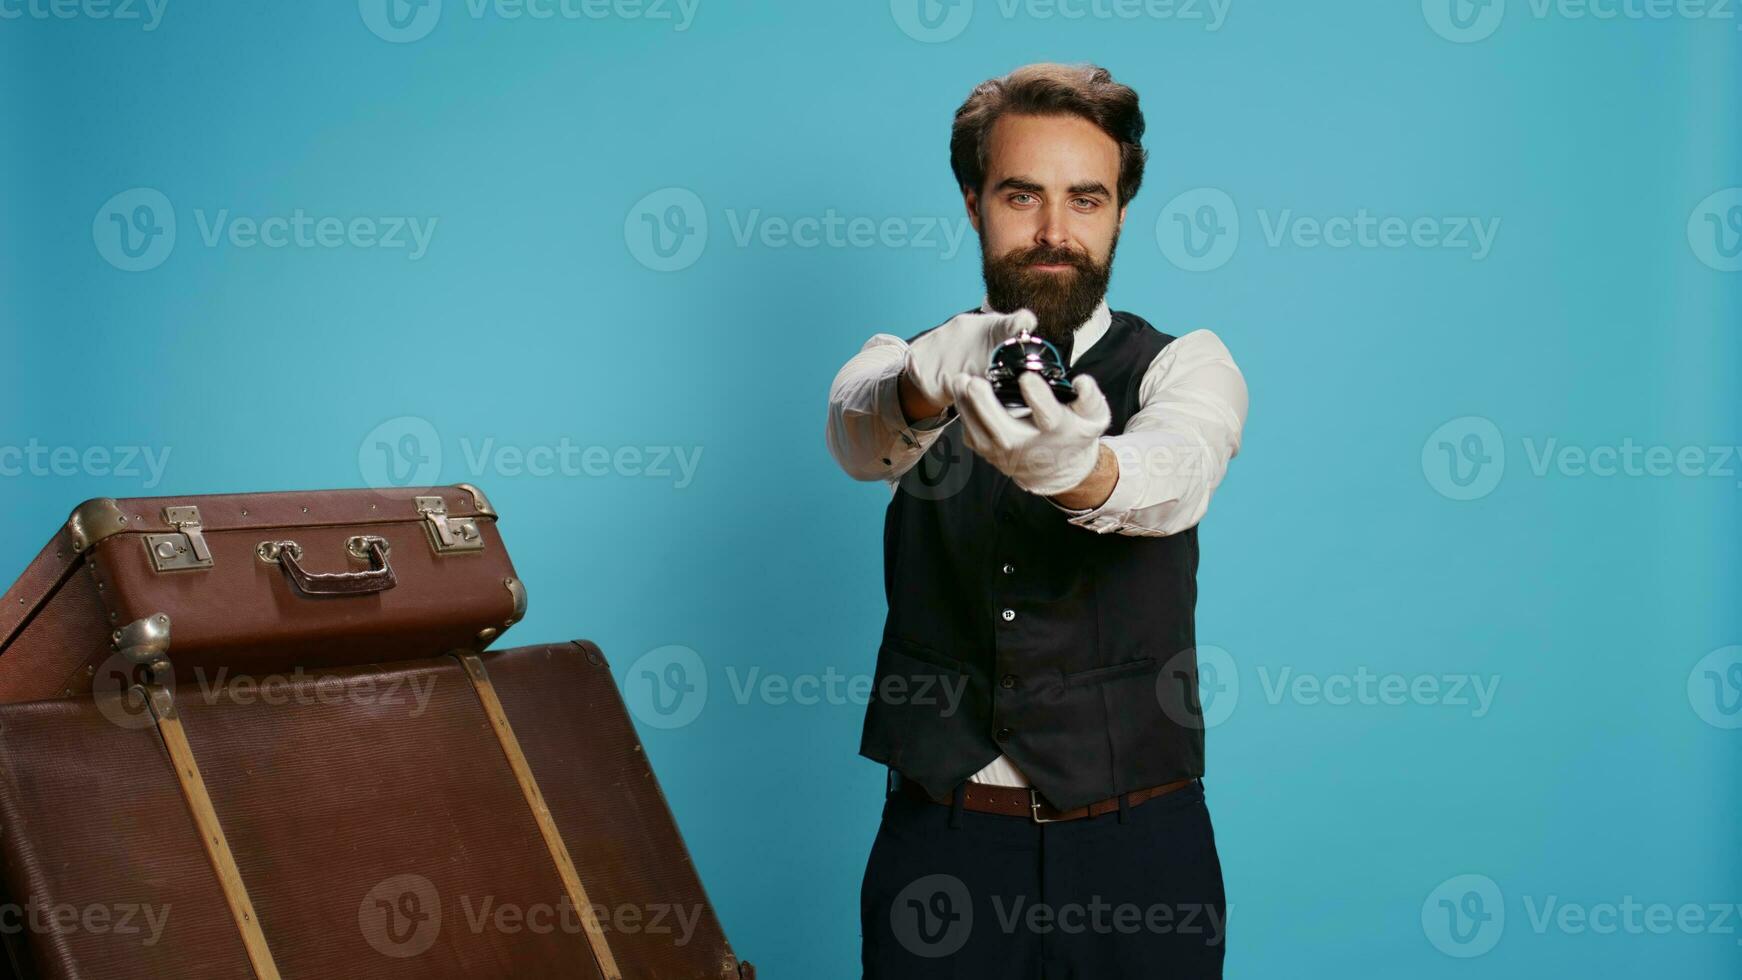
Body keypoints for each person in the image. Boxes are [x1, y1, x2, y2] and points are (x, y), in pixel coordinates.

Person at [824, 62, 1250, 978]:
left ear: (1121, 212)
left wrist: (1079, 468)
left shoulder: (1187, 365)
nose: (1057, 232)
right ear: (974, 201)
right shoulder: (907, 363)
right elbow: (858, 434)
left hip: (1142, 854)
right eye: (1023, 195)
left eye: (1086, 199)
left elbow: (1177, 471)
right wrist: (920, 383)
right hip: (942, 844)